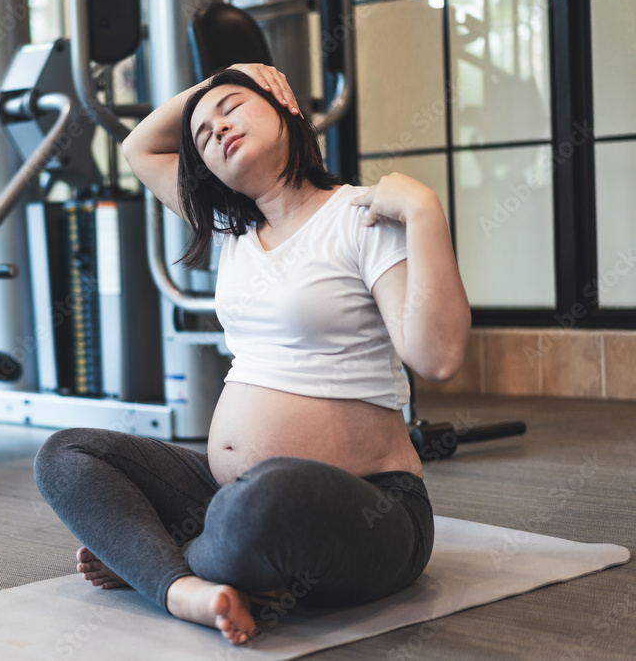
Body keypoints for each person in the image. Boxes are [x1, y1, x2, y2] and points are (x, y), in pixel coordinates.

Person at [34, 64, 471, 645]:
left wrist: (423, 210)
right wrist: (222, 79)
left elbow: (437, 358)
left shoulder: (361, 218)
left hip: (365, 510)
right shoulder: (229, 231)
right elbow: (140, 146)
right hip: (225, 498)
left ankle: (154, 558)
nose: (216, 129)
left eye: (234, 108)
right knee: (65, 453)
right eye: (203, 135)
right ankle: (183, 585)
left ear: (287, 108)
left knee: (268, 497)